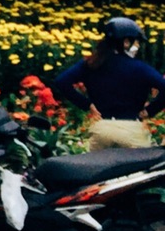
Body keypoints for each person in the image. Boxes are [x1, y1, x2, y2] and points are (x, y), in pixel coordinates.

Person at [49, 17, 164, 151]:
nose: (137, 46)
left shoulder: (91, 63)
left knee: (96, 169)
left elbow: (61, 82)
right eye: (136, 42)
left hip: (101, 129)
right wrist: (150, 110)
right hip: (131, 130)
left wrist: (87, 105)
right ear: (126, 42)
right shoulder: (140, 67)